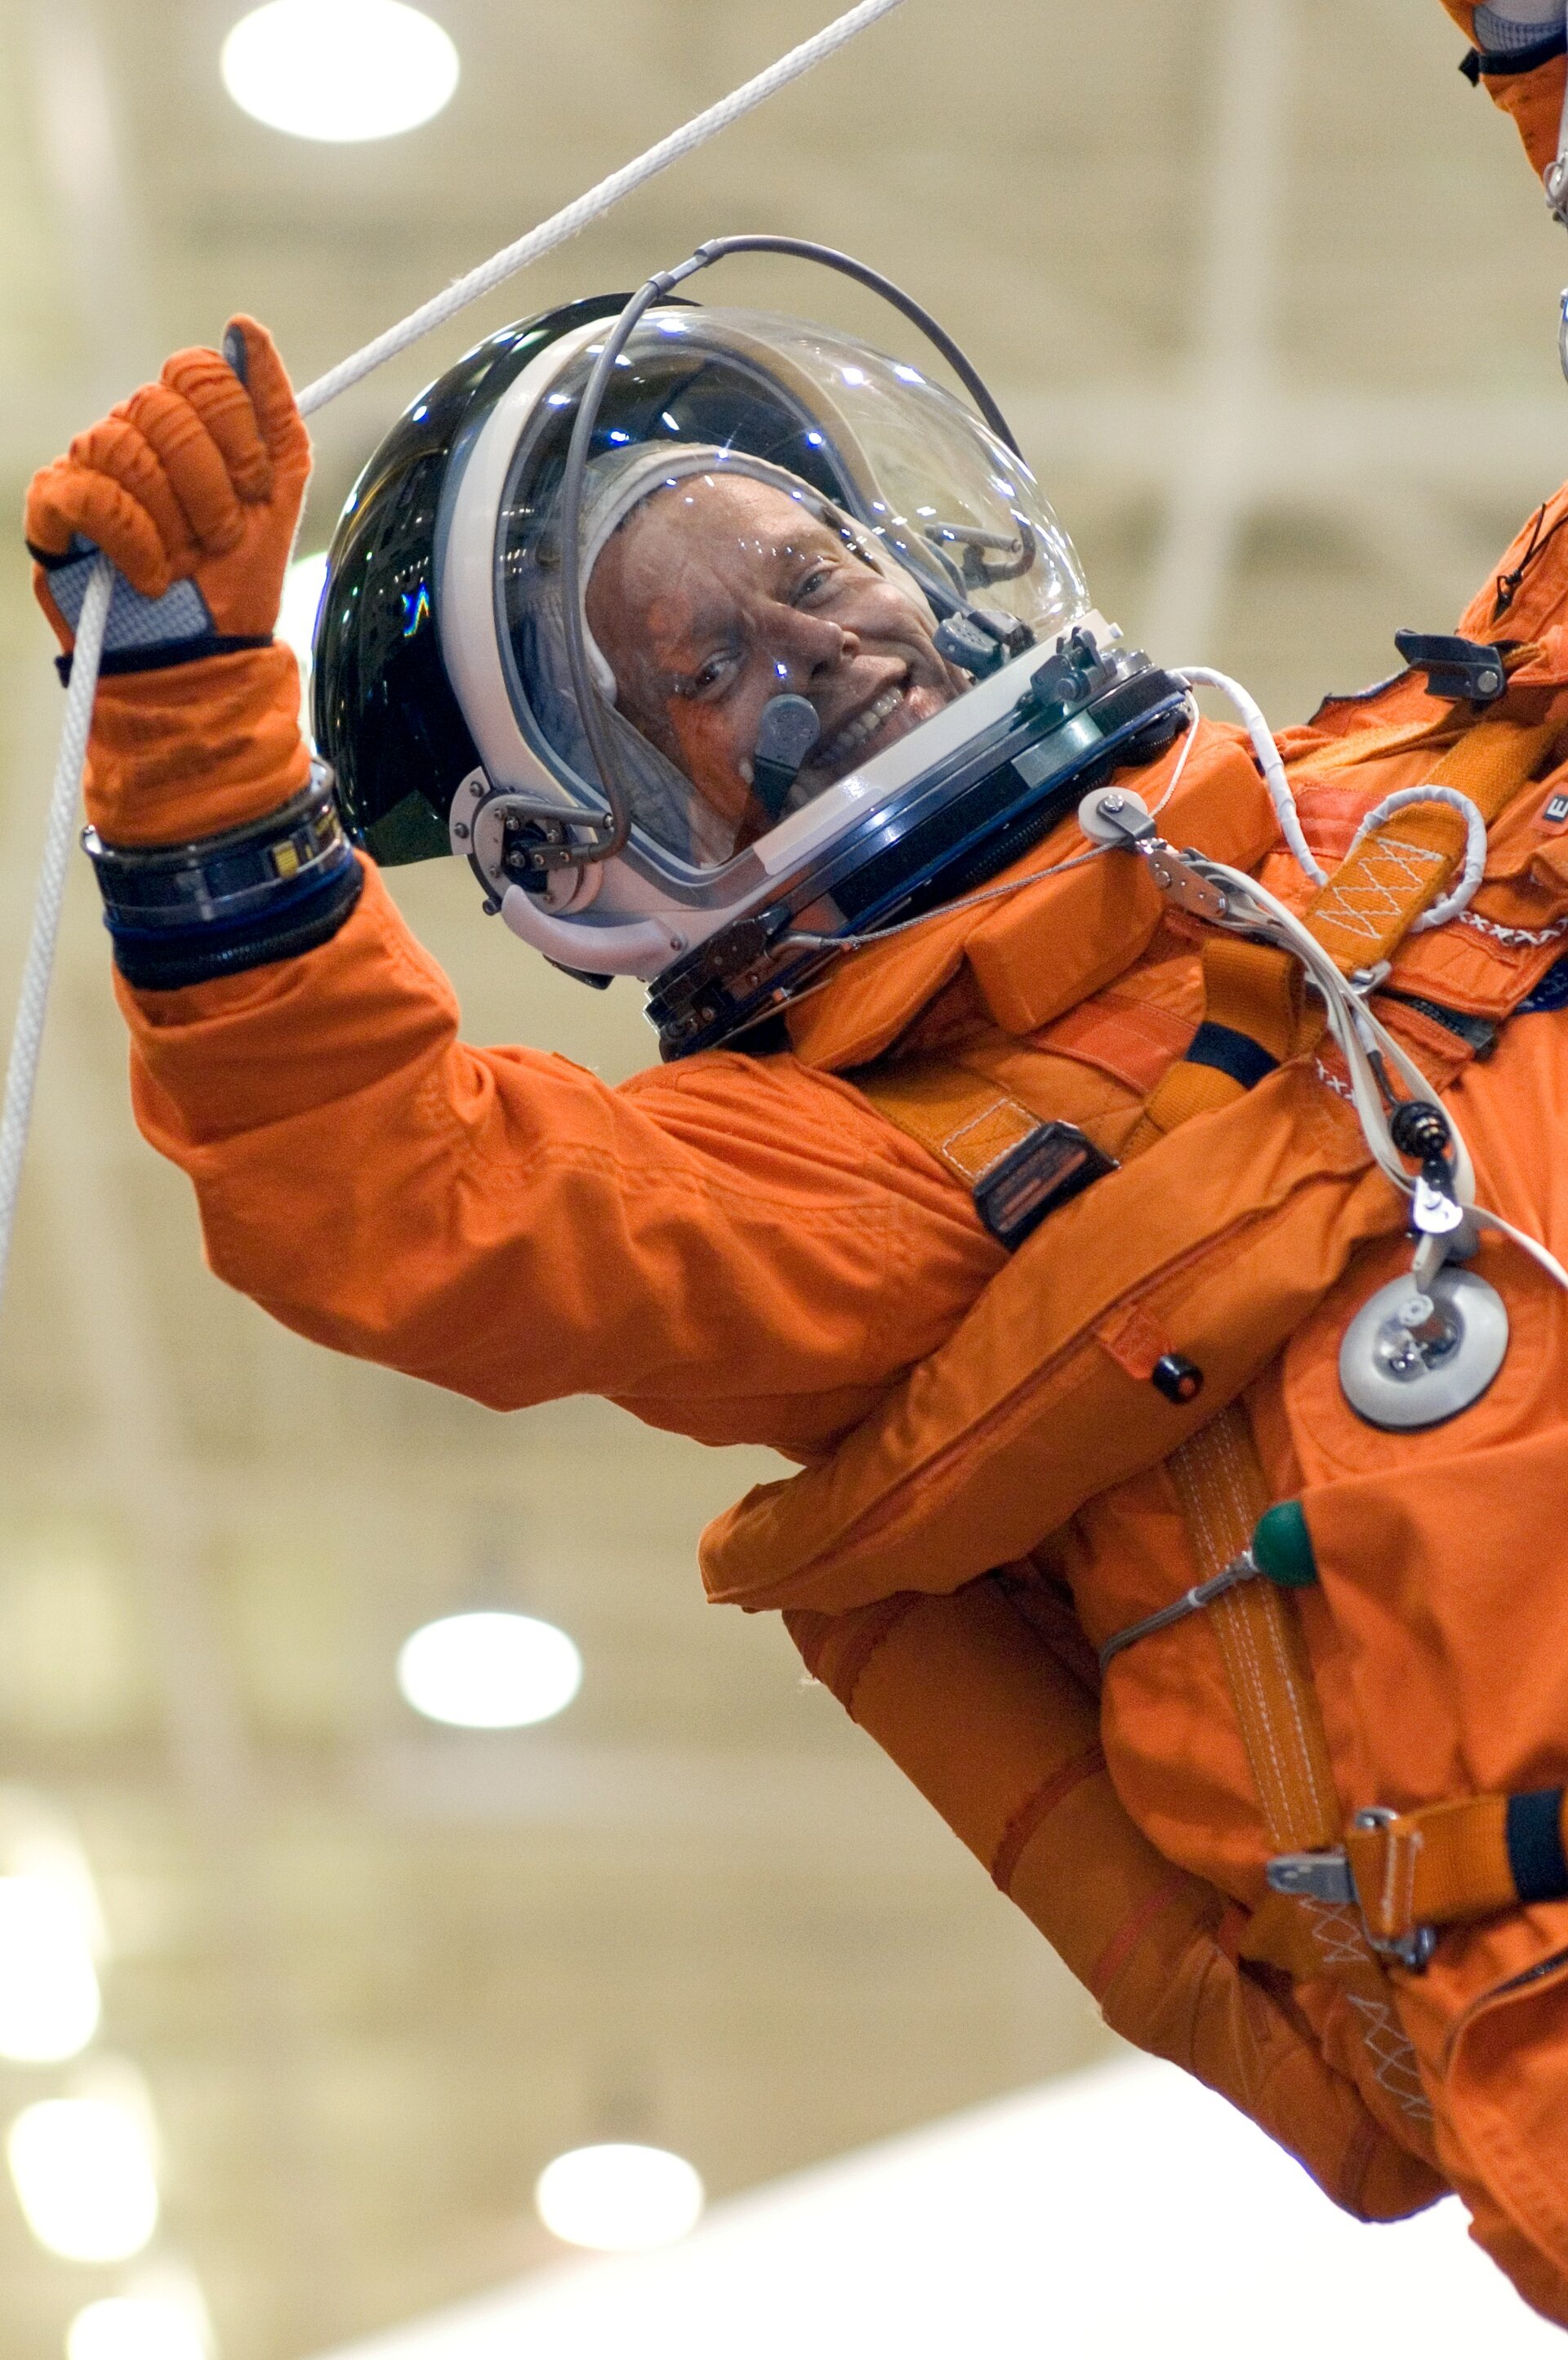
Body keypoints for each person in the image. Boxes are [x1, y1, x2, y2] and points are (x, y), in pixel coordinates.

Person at [23, 2, 1568, 2322]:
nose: (805, 647)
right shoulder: (872, 1174)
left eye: (805, 574)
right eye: (701, 670)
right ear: (606, 841)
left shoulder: (1433, 783)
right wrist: (180, 723)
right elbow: (404, 1197)